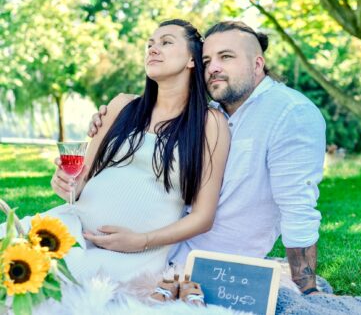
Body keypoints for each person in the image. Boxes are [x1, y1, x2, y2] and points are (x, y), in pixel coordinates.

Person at [89, 21, 326, 295]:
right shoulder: (209, 113)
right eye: (207, 60)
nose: (213, 67)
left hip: (213, 269)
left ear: (257, 64)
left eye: (226, 57)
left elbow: (298, 209)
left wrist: (307, 290)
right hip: (158, 251)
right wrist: (107, 124)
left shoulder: (290, 113)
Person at [9, 19, 230, 282]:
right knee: (11, 257)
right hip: (70, 228)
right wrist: (66, 183)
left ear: (192, 60)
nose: (153, 49)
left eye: (166, 42)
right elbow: (79, 183)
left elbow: (203, 217)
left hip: (132, 255)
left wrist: (141, 241)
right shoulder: (121, 106)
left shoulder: (209, 123)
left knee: (46, 286)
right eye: (150, 44)